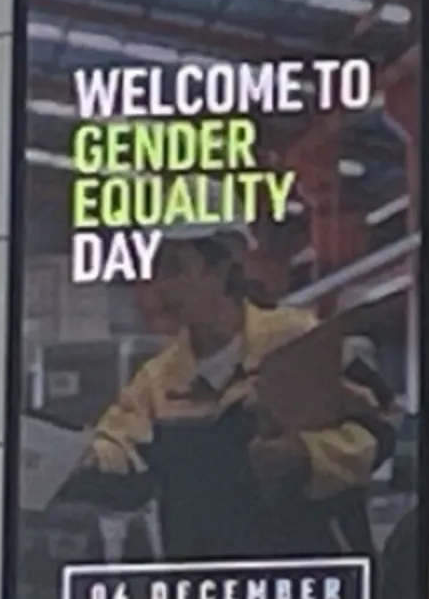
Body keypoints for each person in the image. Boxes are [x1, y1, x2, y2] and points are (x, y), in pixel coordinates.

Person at [81, 224, 398, 570]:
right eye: (155, 270)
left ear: (222, 267)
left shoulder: (299, 341)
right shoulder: (158, 379)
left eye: (176, 267)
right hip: (208, 591)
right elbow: (119, 444)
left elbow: (382, 426)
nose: (161, 285)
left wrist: (307, 455)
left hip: (311, 583)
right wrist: (83, 457)